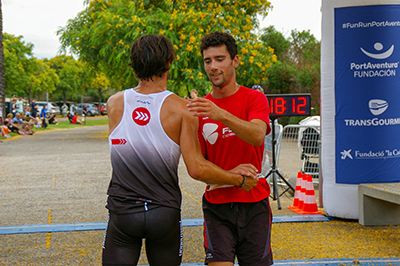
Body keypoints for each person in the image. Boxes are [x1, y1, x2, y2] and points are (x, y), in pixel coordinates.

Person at [102, 34, 259, 266]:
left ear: (133, 64)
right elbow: (197, 169)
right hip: (163, 212)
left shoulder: (114, 103)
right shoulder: (183, 109)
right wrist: (238, 179)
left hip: (123, 211)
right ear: (168, 63)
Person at [186, 31, 273, 266]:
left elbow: (257, 135)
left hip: (254, 202)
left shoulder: (254, 99)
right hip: (217, 205)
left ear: (234, 61)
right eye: (207, 61)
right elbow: (198, 166)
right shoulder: (198, 110)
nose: (213, 66)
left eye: (219, 59)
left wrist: (221, 114)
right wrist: (231, 175)